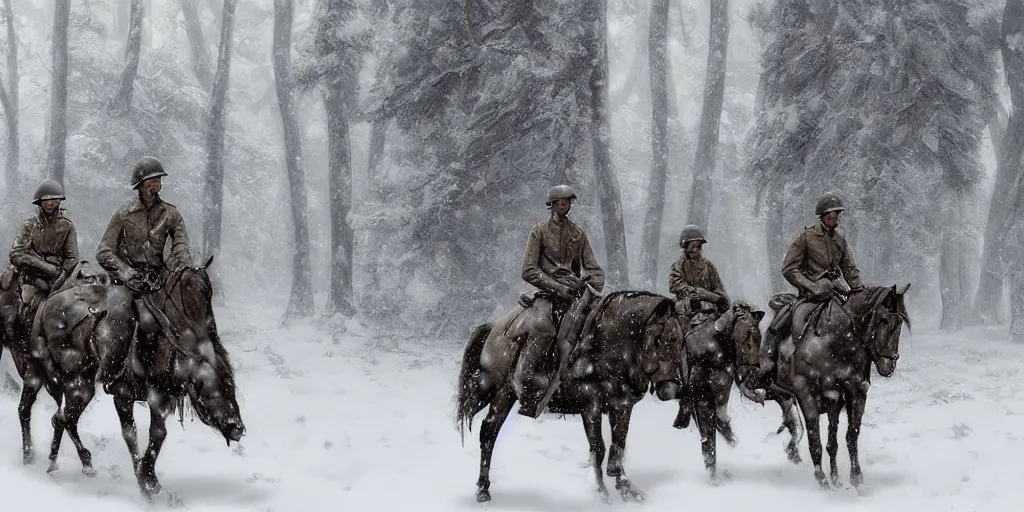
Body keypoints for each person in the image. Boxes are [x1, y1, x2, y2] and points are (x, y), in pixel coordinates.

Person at [514, 184, 605, 418]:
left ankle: (588, 386)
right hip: (547, 293)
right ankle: (528, 385)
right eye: (560, 202)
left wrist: (592, 284)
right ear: (552, 204)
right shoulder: (539, 231)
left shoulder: (578, 234)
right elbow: (529, 270)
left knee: (599, 326)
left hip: (575, 295)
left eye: (568, 202)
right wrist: (557, 287)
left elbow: (593, 267)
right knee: (544, 328)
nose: (564, 206)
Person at [758, 192, 864, 389]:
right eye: (830, 214)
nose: (834, 217)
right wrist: (812, 286)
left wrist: (858, 290)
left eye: (836, 214)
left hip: (835, 293)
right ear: (822, 215)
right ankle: (767, 368)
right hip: (809, 296)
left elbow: (850, 269)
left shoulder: (840, 240)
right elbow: (789, 269)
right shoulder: (805, 236)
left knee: (857, 323)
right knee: (780, 323)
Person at [8, 179, 80, 327]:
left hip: (60, 277)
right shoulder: (30, 226)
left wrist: (62, 274)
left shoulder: (67, 226)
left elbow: (72, 256)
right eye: (45, 200)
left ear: (59, 201)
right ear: (39, 202)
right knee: (27, 308)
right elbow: (16, 254)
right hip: (33, 276)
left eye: (54, 199)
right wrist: (43, 266)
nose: (50, 203)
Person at [668, 224, 729, 328]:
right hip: (686, 310)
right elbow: (676, 285)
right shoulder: (678, 265)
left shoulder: (709, 266)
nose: (696, 249)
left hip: (711, 310)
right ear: (685, 246)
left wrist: (710, 296)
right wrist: (693, 291)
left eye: (698, 246)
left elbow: (719, 289)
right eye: (693, 246)